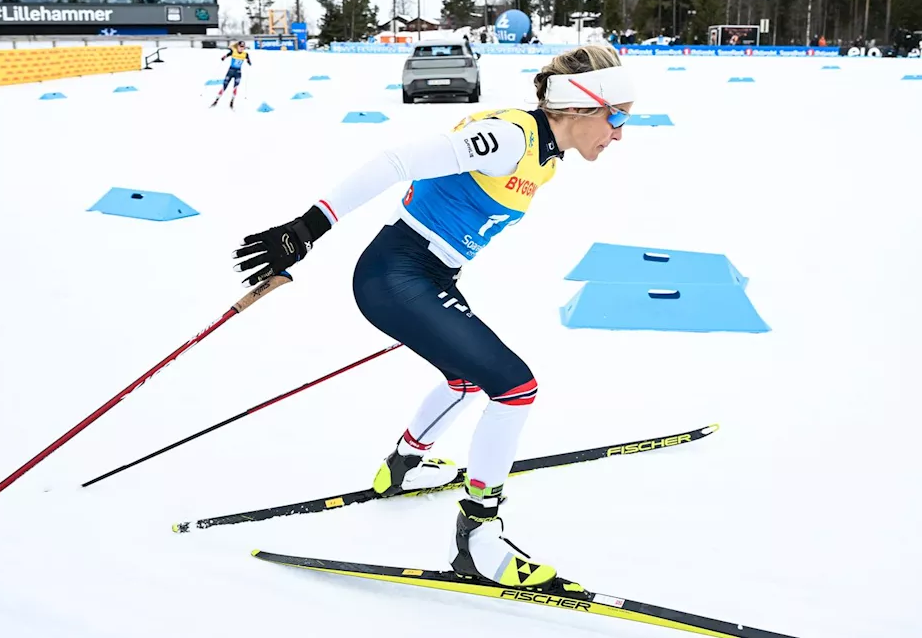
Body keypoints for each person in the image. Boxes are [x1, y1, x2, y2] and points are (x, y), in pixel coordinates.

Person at [231, 44, 635, 588]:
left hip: (425, 277)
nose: (619, 134)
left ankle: (402, 466)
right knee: (515, 389)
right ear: (581, 106)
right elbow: (395, 162)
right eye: (617, 117)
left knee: (469, 380)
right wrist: (306, 229)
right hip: (397, 276)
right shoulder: (513, 136)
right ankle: (477, 538)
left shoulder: (545, 157)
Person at [213, 40, 252, 108]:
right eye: (240, 47)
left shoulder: (245, 54)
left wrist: (249, 62)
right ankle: (216, 100)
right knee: (224, 86)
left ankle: (232, 102)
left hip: (238, 72)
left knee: (235, 87)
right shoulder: (233, 51)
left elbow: (249, 61)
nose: (242, 48)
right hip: (230, 71)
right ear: (237, 47)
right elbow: (226, 55)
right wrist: (223, 57)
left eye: (243, 47)